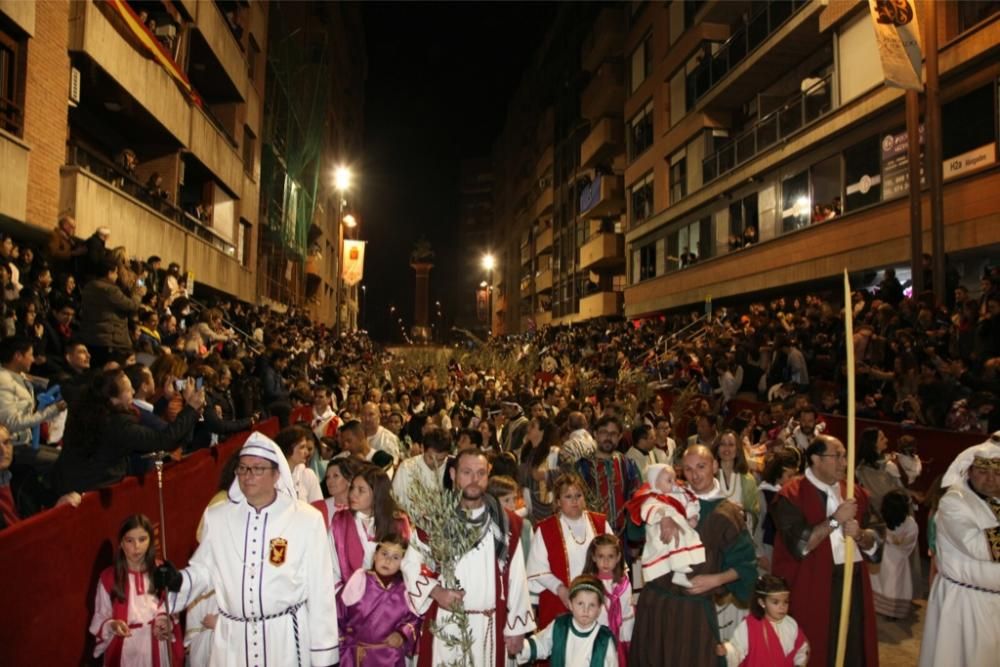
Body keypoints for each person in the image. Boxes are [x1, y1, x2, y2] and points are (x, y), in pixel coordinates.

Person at [155, 432, 339, 667]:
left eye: (257, 469)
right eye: (242, 469)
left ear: (276, 474)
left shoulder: (306, 519)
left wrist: (324, 656)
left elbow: (320, 592)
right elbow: (205, 570)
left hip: (283, 642)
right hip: (233, 641)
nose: (248, 476)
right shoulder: (218, 516)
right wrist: (178, 580)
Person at [402, 448, 534, 666]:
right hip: (447, 623)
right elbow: (410, 564)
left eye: (481, 473)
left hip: (491, 627)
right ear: (453, 474)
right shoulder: (436, 519)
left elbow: (517, 577)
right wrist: (436, 592)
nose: (474, 480)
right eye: (467, 472)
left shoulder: (506, 523)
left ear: (488, 474)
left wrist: (517, 628)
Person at [629, 445, 758, 667]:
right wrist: (659, 514)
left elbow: (747, 567)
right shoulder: (665, 496)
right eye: (688, 469)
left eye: (701, 466)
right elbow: (633, 531)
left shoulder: (726, 513)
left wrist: (715, 579)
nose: (695, 475)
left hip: (693, 613)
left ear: (715, 466)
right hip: (655, 604)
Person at [770, 435, 883, 667]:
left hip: (853, 586)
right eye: (837, 456)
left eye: (845, 456)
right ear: (815, 459)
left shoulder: (856, 494)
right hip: (812, 587)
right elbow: (800, 545)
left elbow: (877, 539)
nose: (844, 463)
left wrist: (860, 535)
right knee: (817, 649)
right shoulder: (790, 496)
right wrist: (834, 521)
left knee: (853, 649)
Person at [918, 433, 1000, 667]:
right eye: (984, 471)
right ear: (969, 470)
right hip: (965, 603)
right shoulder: (954, 502)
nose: (991, 479)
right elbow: (979, 546)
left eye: (998, 472)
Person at [54, 370, 202, 494]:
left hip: (74, 485)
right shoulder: (117, 424)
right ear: (114, 399)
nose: (132, 391)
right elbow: (165, 440)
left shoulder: (89, 408)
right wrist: (191, 407)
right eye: (128, 389)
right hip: (91, 493)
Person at [90, 514, 184, 666]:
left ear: (151, 541)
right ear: (121, 543)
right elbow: (100, 616)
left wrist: (165, 621)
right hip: (125, 651)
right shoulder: (109, 578)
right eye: (129, 540)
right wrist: (113, 625)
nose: (137, 547)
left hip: (156, 648)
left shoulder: (162, 571)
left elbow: (172, 608)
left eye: (142, 539)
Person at [527, 473, 612, 631]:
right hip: (561, 601)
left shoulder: (600, 523)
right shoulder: (546, 529)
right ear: (558, 502)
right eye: (568, 496)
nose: (575, 501)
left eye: (578, 495)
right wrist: (561, 589)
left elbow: (615, 560)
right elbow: (537, 569)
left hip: (598, 601)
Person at [331, 465, 410, 608]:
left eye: (361, 490)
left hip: (391, 603)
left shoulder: (397, 522)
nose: (353, 494)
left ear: (377, 494)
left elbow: (407, 565)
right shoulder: (340, 521)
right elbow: (331, 568)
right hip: (350, 603)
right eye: (352, 488)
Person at [339, 533, 422, 667]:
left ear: (403, 563)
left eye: (395, 557)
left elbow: (415, 619)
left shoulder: (407, 589)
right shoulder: (359, 580)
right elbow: (338, 614)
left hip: (391, 659)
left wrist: (402, 634)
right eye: (384, 554)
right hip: (356, 658)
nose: (388, 561)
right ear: (375, 555)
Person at [626, 463, 704, 588]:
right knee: (672, 542)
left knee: (686, 540)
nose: (674, 483)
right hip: (659, 532)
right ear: (655, 482)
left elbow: (688, 502)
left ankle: (679, 574)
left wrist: (692, 515)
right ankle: (678, 569)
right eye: (669, 480)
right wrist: (663, 516)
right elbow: (648, 510)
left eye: (674, 479)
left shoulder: (678, 492)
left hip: (679, 525)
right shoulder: (650, 496)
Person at [516, 574, 617, 667]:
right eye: (580, 603)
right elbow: (541, 644)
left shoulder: (604, 639)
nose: (586, 610)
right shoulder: (560, 627)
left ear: (599, 609)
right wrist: (519, 646)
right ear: (570, 604)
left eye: (592, 605)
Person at [716, 574, 809, 666]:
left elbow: (801, 649)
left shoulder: (791, 624)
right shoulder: (749, 626)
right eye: (775, 602)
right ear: (762, 602)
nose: (782, 607)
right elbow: (737, 649)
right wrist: (727, 650)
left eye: (786, 602)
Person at [573, 415, 641, 536]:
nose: (608, 437)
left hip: (621, 537)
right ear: (595, 434)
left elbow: (636, 502)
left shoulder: (628, 465)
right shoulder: (582, 466)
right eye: (604, 432)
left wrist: (634, 540)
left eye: (613, 434)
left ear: (620, 436)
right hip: (590, 535)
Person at [79, 258, 144, 366]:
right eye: (116, 273)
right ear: (110, 273)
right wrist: (137, 293)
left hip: (91, 337)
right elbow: (132, 306)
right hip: (110, 339)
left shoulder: (89, 286)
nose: (117, 276)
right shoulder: (111, 290)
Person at [582, 534, 634, 666]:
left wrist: (627, 642)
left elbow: (628, 616)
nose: (605, 562)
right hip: (595, 639)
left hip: (619, 640)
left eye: (610, 556)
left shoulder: (624, 584)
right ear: (593, 557)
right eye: (601, 556)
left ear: (618, 558)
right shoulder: (589, 583)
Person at [870, 489, 918, 619]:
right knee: (895, 585)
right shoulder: (910, 523)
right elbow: (908, 542)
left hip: (882, 555)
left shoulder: (881, 520)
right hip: (897, 560)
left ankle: (879, 606)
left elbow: (876, 534)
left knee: (881, 581)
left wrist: (889, 537)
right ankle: (892, 611)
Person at [392, 427, 450, 515]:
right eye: (431, 458)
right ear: (422, 448)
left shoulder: (453, 466)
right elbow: (395, 501)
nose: (436, 464)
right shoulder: (407, 468)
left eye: (441, 459)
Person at [715, 430, 761, 535]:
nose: (726, 448)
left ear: (738, 449)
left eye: (731, 444)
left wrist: (743, 514)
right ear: (717, 448)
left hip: (739, 535)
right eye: (722, 444)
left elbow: (755, 513)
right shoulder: (709, 477)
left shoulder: (748, 480)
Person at [276, 425, 323, 503]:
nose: (306, 452)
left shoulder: (308, 475)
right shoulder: (272, 476)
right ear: (289, 447)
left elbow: (319, 506)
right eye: (302, 447)